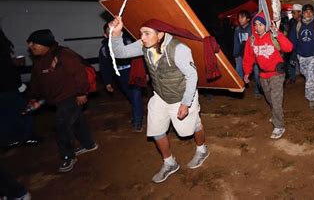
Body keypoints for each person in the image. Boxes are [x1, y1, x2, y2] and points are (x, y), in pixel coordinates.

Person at [108, 17, 210, 184]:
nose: (142, 37)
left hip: (181, 96)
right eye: (141, 33)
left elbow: (192, 76)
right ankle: (169, 163)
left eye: (147, 34)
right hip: (160, 96)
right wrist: (117, 34)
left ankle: (202, 149)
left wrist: (186, 103)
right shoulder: (144, 45)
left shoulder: (178, 49)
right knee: (156, 131)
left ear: (161, 34)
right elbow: (120, 53)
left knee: (190, 128)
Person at [26, 29, 98, 173]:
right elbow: (37, 81)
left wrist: (81, 93)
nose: (31, 47)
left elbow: (79, 73)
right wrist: (35, 97)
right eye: (29, 43)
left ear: (44, 43)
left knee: (62, 125)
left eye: (34, 43)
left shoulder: (63, 54)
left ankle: (67, 156)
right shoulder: (39, 60)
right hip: (56, 99)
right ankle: (89, 144)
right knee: (76, 121)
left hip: (70, 96)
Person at [242, 13, 293, 139]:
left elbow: (289, 48)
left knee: (276, 100)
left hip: (277, 74)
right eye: (256, 25)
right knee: (269, 98)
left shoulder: (273, 36)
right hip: (263, 75)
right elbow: (248, 57)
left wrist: (278, 34)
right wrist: (247, 72)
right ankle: (277, 114)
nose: (258, 27)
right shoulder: (252, 40)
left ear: (266, 25)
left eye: (261, 24)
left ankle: (279, 125)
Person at [99, 23, 145, 132]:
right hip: (120, 75)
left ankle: (137, 122)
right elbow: (105, 66)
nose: (112, 33)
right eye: (109, 32)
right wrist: (107, 82)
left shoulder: (128, 41)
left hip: (134, 72)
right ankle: (139, 113)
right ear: (105, 35)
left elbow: (141, 57)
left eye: (114, 30)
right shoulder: (104, 49)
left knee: (135, 96)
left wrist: (145, 72)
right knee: (132, 97)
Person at [0, 29, 40, 148]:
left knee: (6, 114)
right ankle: (26, 137)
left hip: (7, 87)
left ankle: (9, 139)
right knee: (23, 110)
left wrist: (12, 62)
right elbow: (4, 70)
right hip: (6, 87)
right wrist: (18, 85)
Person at [289, 4, 314, 110]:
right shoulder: (297, 26)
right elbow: (293, 43)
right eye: (306, 11)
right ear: (302, 13)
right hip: (301, 56)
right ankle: (313, 81)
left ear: (313, 13)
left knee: (310, 78)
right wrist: (293, 56)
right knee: (306, 74)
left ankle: (311, 98)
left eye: (310, 11)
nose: (308, 13)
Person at [232, 10, 262, 98]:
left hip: (254, 55)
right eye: (239, 18)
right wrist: (235, 55)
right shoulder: (237, 29)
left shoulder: (253, 29)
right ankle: (240, 90)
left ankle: (257, 91)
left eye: (242, 17)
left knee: (257, 74)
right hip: (242, 55)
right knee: (238, 72)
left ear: (248, 19)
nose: (240, 19)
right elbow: (236, 43)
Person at [285, 4, 303, 85]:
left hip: (303, 47)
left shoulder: (305, 22)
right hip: (293, 46)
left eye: (294, 13)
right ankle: (292, 78)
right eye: (292, 13)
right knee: (291, 61)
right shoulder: (291, 22)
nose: (292, 14)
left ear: (300, 12)